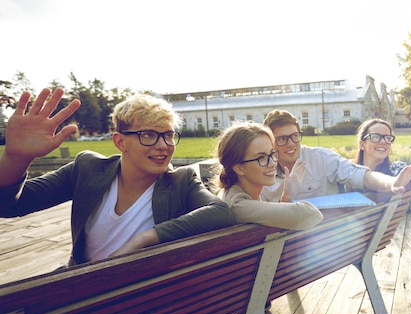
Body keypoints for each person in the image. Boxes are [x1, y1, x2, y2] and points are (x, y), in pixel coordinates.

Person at [0, 88, 235, 265]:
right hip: (81, 290)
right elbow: (10, 205)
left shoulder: (182, 181)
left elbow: (221, 213)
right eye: (149, 135)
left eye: (168, 135)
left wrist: (147, 238)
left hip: (141, 302)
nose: (163, 145)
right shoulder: (87, 169)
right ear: (120, 141)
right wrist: (16, 158)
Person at [260, 109, 411, 202]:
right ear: (270, 142)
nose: (291, 143)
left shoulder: (321, 158)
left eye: (295, 136)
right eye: (282, 139)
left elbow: (360, 175)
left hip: (323, 244)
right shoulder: (260, 171)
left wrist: (391, 183)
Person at [216, 121, 323, 230]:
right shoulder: (238, 206)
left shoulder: (241, 194)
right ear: (239, 168)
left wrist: (287, 196)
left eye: (272, 154)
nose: (272, 163)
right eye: (261, 158)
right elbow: (310, 214)